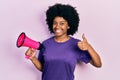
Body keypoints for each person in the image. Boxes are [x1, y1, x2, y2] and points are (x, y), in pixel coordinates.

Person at [25, 3, 102, 80]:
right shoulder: (45, 44)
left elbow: (98, 64)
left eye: (62, 23)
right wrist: (33, 58)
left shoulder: (77, 44)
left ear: (68, 25)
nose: (57, 26)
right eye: (55, 23)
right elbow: (44, 69)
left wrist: (89, 47)